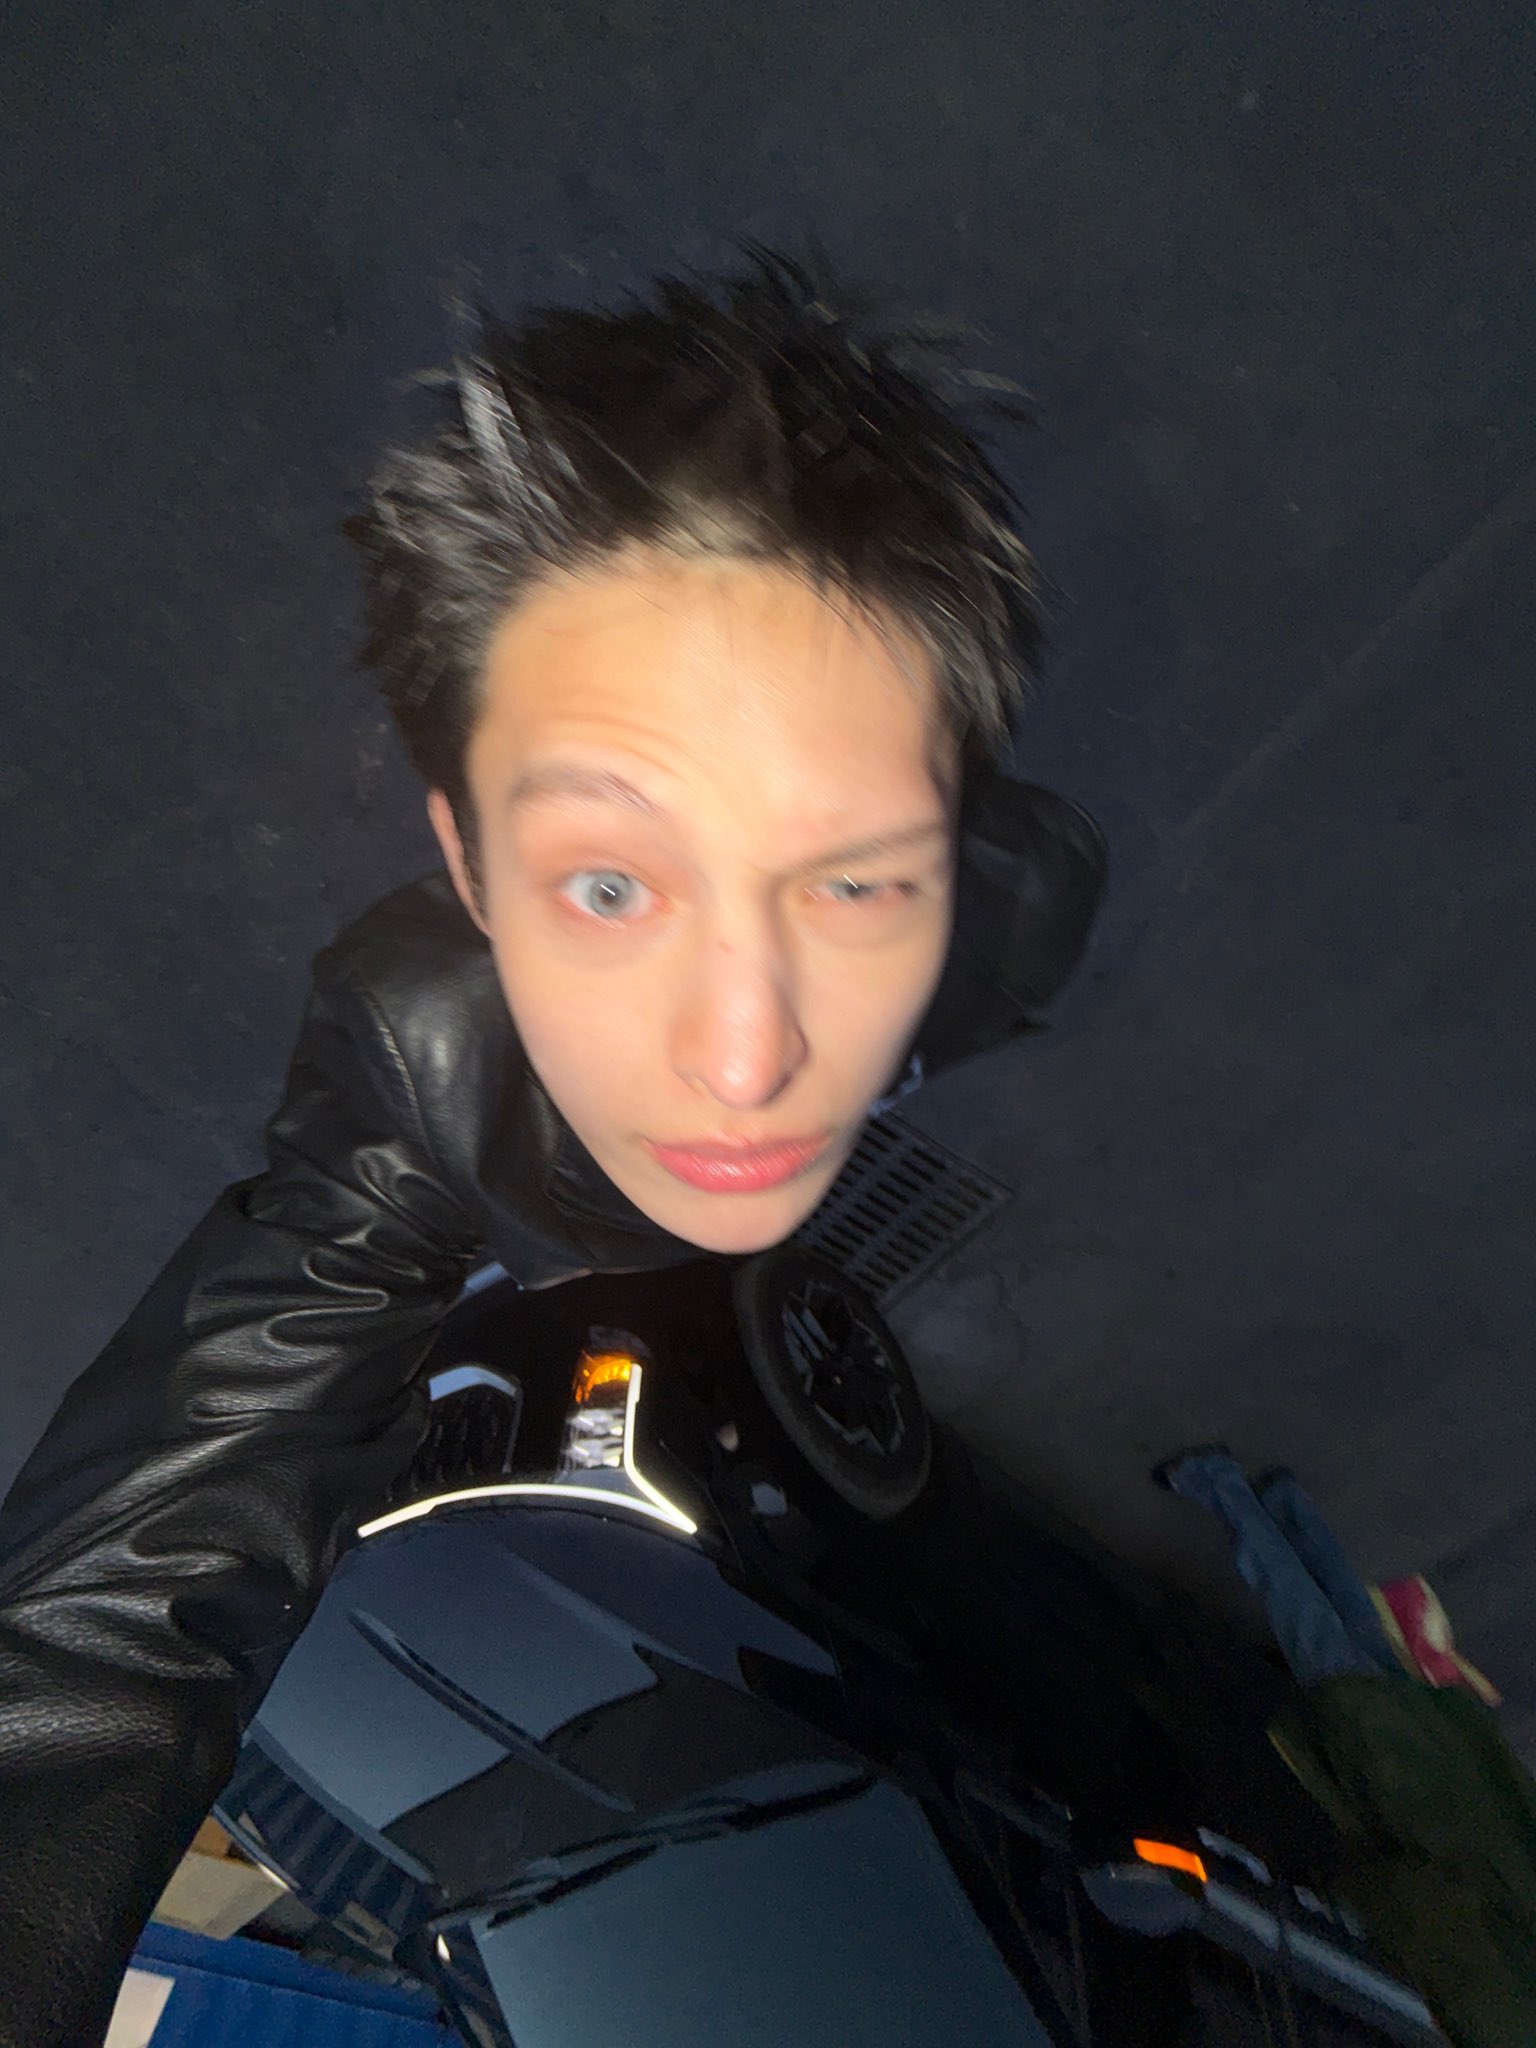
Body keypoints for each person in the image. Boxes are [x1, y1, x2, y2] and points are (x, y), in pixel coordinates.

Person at [0, 246, 1107, 2048]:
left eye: (854, 882)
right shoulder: (419, 1050)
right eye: (607, 885)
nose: (746, 1058)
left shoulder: (1022, 899)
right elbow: (98, 1633)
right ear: (461, 861)